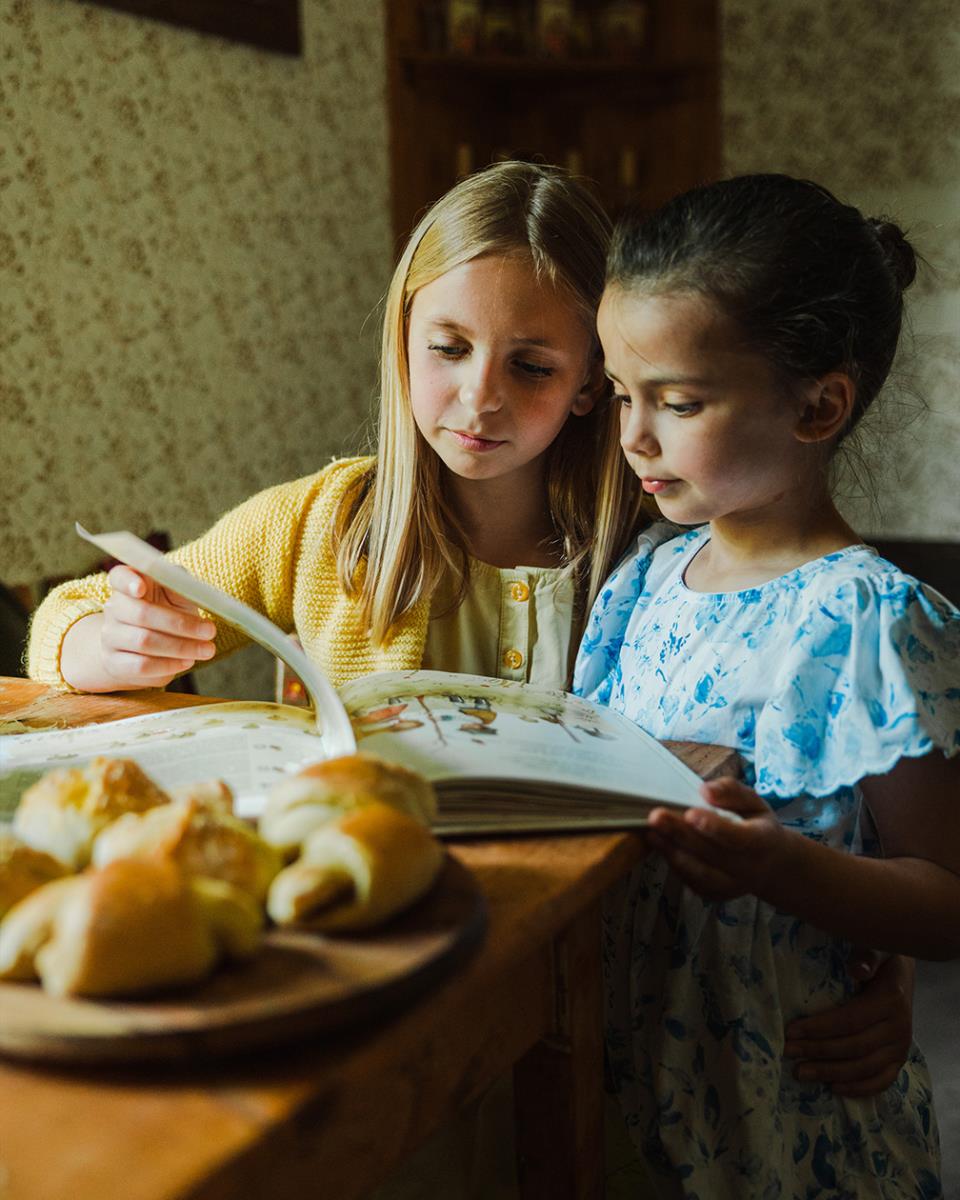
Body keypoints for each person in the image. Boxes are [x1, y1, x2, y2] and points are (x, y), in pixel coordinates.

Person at [27, 162, 920, 1190]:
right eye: (446, 349)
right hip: (365, 987)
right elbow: (76, 615)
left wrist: (876, 968)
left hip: (584, 1019)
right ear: (402, 338)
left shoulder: (656, 548)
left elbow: (829, 792)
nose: (478, 398)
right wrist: (102, 641)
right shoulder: (320, 524)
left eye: (534, 366)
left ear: (598, 375)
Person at [575, 172, 959, 1198]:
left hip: (789, 1110)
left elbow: (948, 899)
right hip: (646, 1067)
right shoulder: (644, 577)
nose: (633, 436)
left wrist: (775, 866)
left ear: (819, 403)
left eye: (679, 401)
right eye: (622, 394)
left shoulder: (876, 623)